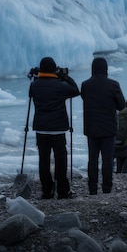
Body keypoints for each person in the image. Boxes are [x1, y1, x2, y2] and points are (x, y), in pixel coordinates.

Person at [29, 56, 80, 199]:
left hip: (41, 128)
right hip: (58, 128)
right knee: (60, 159)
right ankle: (63, 191)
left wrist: (36, 76)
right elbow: (75, 91)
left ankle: (47, 191)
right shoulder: (59, 85)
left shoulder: (35, 85)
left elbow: (30, 94)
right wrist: (64, 77)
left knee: (43, 160)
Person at [81, 57, 126, 194]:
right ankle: (107, 188)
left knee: (92, 159)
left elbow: (84, 97)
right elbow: (121, 106)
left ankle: (92, 188)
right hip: (108, 129)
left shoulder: (85, 85)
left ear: (93, 68)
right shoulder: (113, 85)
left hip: (91, 128)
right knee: (107, 160)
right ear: (106, 69)